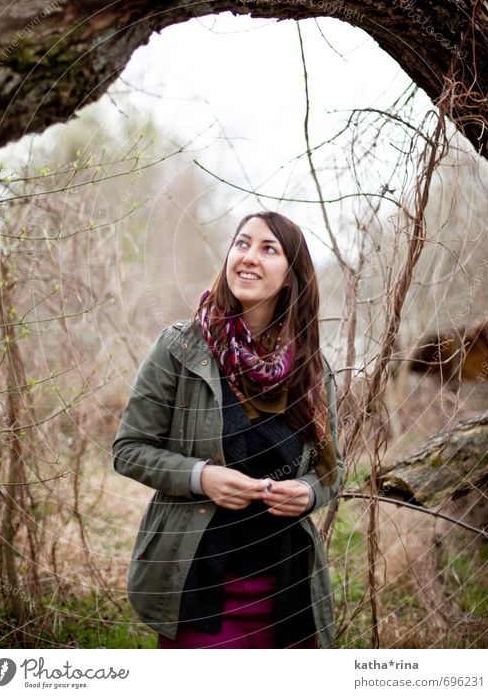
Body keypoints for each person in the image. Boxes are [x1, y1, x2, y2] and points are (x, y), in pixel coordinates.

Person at [112, 211, 343, 649]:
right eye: (242, 243)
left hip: (289, 594)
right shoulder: (180, 348)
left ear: (291, 277)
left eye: (268, 248)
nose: (249, 257)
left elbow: (333, 471)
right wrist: (202, 478)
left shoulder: (312, 369)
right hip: (199, 590)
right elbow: (128, 449)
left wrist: (309, 493)